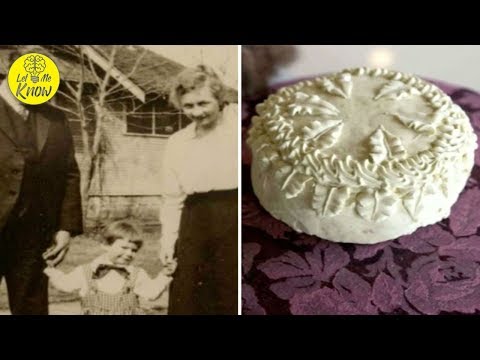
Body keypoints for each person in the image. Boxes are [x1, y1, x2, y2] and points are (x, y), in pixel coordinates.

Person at [0, 49, 83, 315]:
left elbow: (69, 172)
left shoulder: (56, 118)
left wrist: (65, 228)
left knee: (32, 308)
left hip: (34, 237)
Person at [158, 64, 238, 315]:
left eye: (204, 103)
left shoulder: (238, 131)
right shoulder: (178, 142)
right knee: (189, 297)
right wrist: (168, 242)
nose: (197, 112)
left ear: (220, 99)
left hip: (235, 217)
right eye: (189, 106)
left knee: (230, 293)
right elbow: (171, 198)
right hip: (194, 222)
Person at [44, 220, 175, 315]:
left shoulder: (137, 274)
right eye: (124, 248)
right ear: (106, 245)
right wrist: (50, 270)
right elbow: (65, 284)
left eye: (134, 250)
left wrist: (165, 274)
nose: (129, 253)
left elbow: (151, 293)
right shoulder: (86, 271)